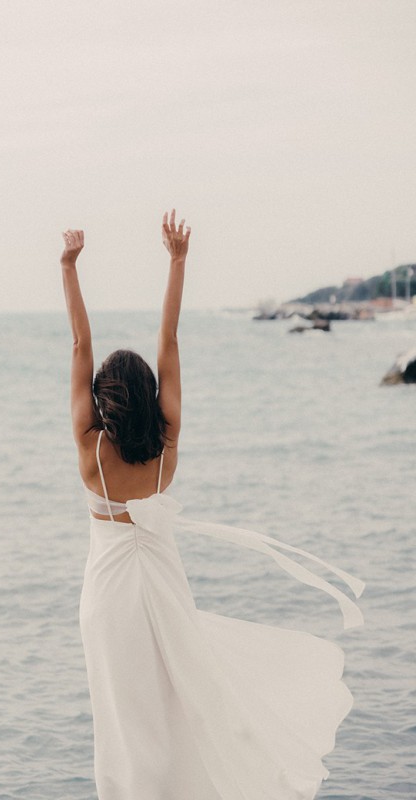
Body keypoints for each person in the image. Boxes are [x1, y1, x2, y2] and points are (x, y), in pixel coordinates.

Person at [60, 210, 364, 800]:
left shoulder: (90, 447)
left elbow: (79, 342)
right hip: (164, 584)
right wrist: (178, 261)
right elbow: (168, 339)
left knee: (124, 717)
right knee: (180, 699)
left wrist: (69, 267)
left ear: (103, 400)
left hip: (107, 598)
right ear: (150, 397)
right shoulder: (166, 445)